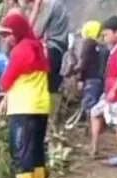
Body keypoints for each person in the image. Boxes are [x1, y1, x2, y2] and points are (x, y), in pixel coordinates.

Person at [0, 10, 50, 178]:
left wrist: (2, 86)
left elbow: (5, 81)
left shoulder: (20, 50)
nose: (6, 40)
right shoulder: (38, 47)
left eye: (8, 35)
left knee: (21, 150)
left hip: (23, 107)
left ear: (17, 32)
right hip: (41, 106)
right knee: (36, 149)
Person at [90, 15, 117, 167]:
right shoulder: (114, 50)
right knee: (95, 112)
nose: (105, 37)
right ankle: (94, 147)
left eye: (107, 34)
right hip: (110, 92)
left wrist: (114, 90)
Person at [23, 0, 69, 129]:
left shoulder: (47, 4)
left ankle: (44, 123)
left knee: (45, 86)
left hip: (49, 49)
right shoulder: (59, 5)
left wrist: (35, 9)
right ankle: (52, 123)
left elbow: (34, 32)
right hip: (59, 50)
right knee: (53, 87)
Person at [76, 21, 108, 120]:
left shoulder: (88, 43)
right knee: (96, 108)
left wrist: (80, 79)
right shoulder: (103, 46)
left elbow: (84, 62)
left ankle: (88, 126)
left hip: (90, 80)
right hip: (100, 81)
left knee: (89, 107)